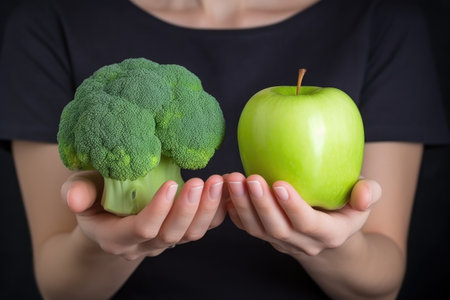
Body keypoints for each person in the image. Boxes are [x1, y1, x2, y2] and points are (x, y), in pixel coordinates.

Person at [0, 0, 447, 299]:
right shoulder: (49, 18)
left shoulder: (384, 19)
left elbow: (384, 281)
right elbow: (58, 287)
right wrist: (104, 246)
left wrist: (331, 248)